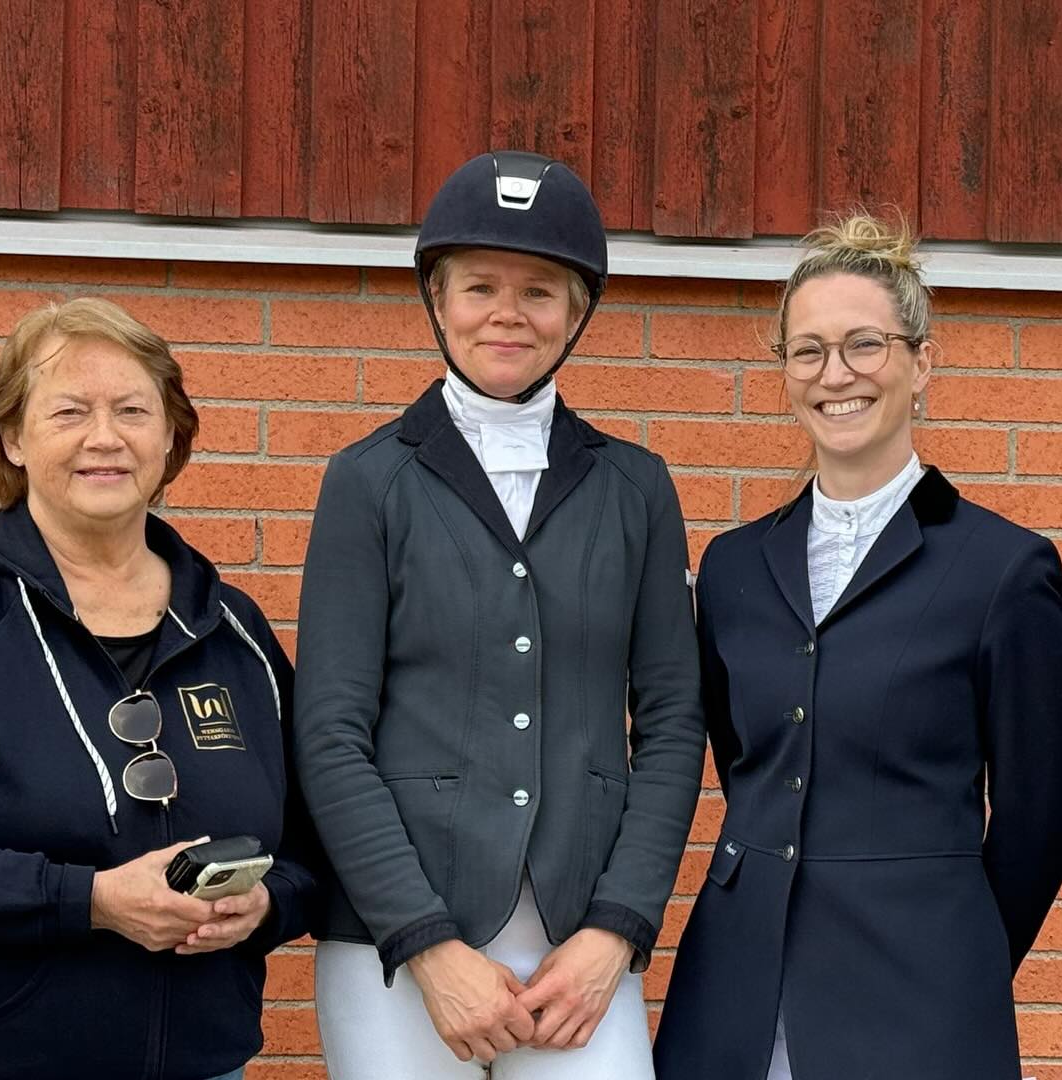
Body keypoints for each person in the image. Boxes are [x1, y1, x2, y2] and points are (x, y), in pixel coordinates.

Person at [294, 150, 705, 1079]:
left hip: (580, 946)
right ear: (438, 302)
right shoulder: (368, 481)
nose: (508, 314)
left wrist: (617, 930)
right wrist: (425, 943)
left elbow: (675, 725)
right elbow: (329, 732)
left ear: (578, 313)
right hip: (399, 948)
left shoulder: (635, 486)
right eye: (479, 286)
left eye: (540, 291)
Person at [652, 213, 1062, 1079]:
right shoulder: (733, 568)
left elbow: (1041, 815)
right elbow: (747, 768)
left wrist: (959, 958)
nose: (834, 374)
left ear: (921, 363)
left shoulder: (1003, 569)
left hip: (920, 998)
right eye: (806, 351)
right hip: (734, 991)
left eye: (862, 345)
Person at [0, 298, 320, 1080]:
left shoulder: (232, 628)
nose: (105, 437)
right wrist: (89, 900)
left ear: (169, 438)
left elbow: (315, 839)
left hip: (208, 1063)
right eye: (68, 411)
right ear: (12, 437)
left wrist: (267, 906)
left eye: (133, 410)